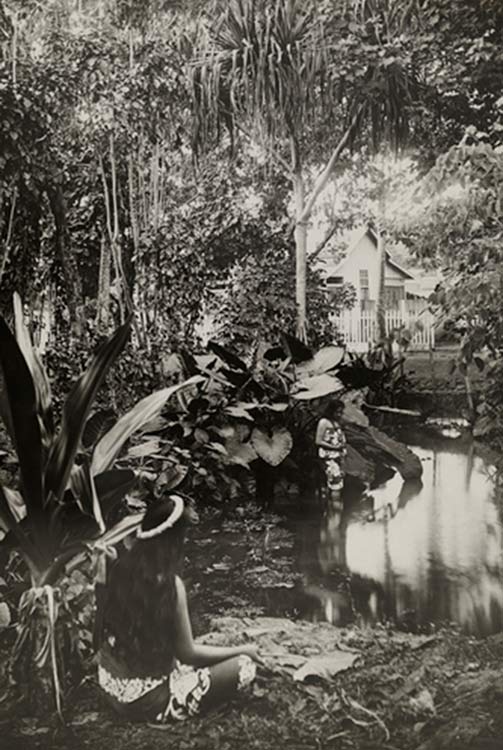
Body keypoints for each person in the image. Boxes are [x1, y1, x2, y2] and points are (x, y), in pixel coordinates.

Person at [96, 493, 258, 725]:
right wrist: (243, 650)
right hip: (150, 702)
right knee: (244, 666)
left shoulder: (119, 566)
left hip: (110, 690)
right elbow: (188, 654)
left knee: (185, 661)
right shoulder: (170, 585)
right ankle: (165, 704)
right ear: (175, 538)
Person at [315, 399, 347, 507]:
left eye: (341, 412)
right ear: (331, 410)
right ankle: (334, 508)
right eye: (337, 412)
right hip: (329, 457)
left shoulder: (336, 422)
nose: (339, 414)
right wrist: (334, 447)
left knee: (338, 482)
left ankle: (332, 510)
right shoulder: (323, 422)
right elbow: (318, 441)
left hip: (338, 457)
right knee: (335, 484)